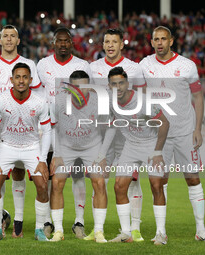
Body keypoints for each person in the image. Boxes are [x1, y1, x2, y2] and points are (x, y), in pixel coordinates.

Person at [140, 26, 205, 241]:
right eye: (155, 39)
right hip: (158, 135)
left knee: (193, 179)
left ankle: (201, 229)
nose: (159, 43)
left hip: (185, 132)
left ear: (171, 41)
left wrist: (197, 129)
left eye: (163, 39)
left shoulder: (187, 66)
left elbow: (197, 97)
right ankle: (161, 232)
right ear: (151, 42)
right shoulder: (145, 65)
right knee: (158, 181)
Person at [0, 24, 42, 238]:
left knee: (19, 175)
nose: (9, 39)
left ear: (18, 40)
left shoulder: (28, 64)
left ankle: (18, 223)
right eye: (5, 36)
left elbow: (38, 96)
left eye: (13, 36)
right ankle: (1, 220)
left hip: (25, 134)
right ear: (0, 40)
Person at [88, 28, 147, 241]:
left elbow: (141, 97)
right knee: (98, 179)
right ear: (103, 45)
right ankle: (98, 229)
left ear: (122, 44)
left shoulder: (135, 68)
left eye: (114, 41)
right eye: (107, 42)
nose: (110, 45)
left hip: (127, 134)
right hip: (101, 132)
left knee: (130, 180)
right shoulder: (93, 67)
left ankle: (135, 228)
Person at [37, 27, 92, 238]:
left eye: (66, 41)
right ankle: (49, 220)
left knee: (78, 176)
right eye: (58, 41)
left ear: (71, 43)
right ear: (53, 42)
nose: (62, 44)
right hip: (49, 130)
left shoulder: (82, 65)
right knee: (51, 177)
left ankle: (79, 221)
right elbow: (37, 92)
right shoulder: (43, 65)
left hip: (74, 129)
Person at [105, 67, 169, 245]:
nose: (118, 87)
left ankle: (161, 234)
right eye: (114, 84)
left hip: (150, 143)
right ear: (109, 86)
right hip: (131, 145)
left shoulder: (142, 101)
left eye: (121, 83)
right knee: (119, 186)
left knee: (156, 185)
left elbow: (164, 123)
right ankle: (126, 234)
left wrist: (157, 151)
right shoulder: (110, 102)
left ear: (127, 83)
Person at [0, 63, 51, 241]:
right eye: (18, 77)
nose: (21, 81)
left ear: (30, 80)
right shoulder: (0, 99)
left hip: (32, 148)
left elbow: (46, 131)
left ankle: (39, 229)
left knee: (43, 186)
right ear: (11, 80)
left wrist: (43, 160)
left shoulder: (39, 101)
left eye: (25, 77)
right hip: (7, 146)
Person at [49, 70, 107, 243]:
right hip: (66, 146)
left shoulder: (99, 102)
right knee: (57, 182)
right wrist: (57, 154)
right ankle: (58, 231)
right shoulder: (58, 101)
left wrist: (102, 154)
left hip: (92, 146)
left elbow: (109, 128)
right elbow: (53, 128)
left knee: (99, 183)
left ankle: (99, 231)